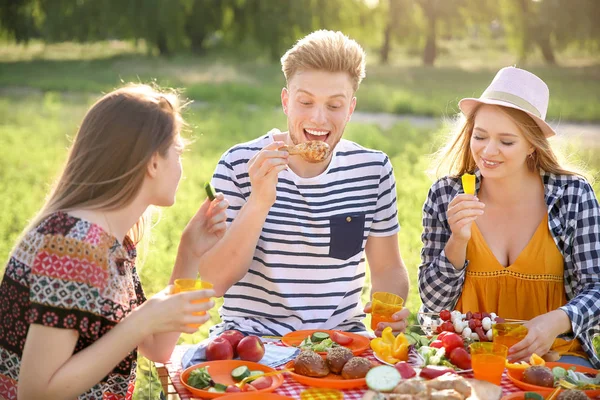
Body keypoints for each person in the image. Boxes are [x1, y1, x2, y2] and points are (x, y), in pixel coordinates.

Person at [0, 84, 229, 399]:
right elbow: (36, 393)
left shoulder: (111, 241)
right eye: (178, 150)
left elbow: (156, 347)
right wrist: (140, 321)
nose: (182, 165)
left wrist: (189, 253)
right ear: (153, 162)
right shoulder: (74, 246)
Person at [198, 30, 410, 338]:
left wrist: (390, 309)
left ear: (350, 108)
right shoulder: (239, 163)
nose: (319, 119)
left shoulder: (372, 170)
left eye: (334, 106)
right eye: (305, 102)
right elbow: (212, 281)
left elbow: (388, 268)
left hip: (339, 341)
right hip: (252, 340)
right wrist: (259, 201)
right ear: (286, 102)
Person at [418, 66, 600, 368]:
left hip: (555, 359)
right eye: (480, 136)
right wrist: (458, 240)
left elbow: (597, 287)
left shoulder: (572, 195)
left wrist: (557, 321)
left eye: (506, 141)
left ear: (532, 144)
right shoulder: (445, 195)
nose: (489, 151)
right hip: (466, 358)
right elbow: (434, 304)